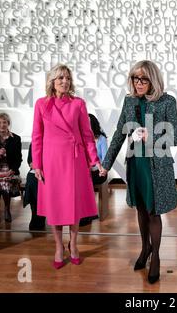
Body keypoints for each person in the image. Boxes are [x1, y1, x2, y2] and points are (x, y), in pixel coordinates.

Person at [99, 60, 177, 284]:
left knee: (154, 212)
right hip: (136, 164)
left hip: (157, 166)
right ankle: (145, 249)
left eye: (143, 78)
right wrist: (106, 164)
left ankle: (156, 257)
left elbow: (175, 137)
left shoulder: (167, 101)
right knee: (142, 209)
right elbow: (118, 133)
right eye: (135, 78)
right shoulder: (129, 101)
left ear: (153, 79)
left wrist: (151, 135)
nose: (139, 83)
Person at [32, 64, 104, 269]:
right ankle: (58, 246)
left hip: (74, 160)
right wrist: (37, 163)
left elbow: (87, 136)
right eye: (61, 78)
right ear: (52, 81)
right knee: (55, 205)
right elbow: (37, 136)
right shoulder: (41, 104)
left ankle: (73, 244)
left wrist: (94, 160)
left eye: (68, 78)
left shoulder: (78, 103)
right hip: (51, 161)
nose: (65, 82)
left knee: (73, 205)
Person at [78, 114, 108, 227]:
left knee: (85, 180)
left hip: (99, 171)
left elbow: (105, 159)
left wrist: (95, 165)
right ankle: (85, 212)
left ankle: (87, 214)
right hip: (85, 171)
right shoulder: (81, 137)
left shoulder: (101, 139)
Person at [23, 144, 46, 231]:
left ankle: (42, 214)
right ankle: (35, 214)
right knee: (32, 179)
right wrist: (37, 168)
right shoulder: (33, 144)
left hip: (51, 171)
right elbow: (30, 161)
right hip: (37, 171)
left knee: (41, 181)